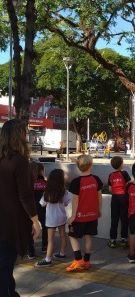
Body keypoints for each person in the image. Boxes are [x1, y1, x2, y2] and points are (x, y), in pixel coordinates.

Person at [0, 119, 41, 296]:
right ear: (19, 136)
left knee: (3, 268)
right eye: (25, 132)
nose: (28, 135)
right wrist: (36, 221)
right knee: (4, 268)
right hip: (10, 225)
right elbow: (24, 195)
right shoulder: (20, 162)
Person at [66, 154, 103, 271]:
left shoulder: (76, 182)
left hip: (80, 216)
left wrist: (73, 216)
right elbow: (99, 197)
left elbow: (75, 200)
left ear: (78, 166)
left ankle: (78, 259)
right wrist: (99, 210)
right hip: (93, 215)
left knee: (72, 236)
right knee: (88, 237)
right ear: (91, 165)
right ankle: (87, 261)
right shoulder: (96, 179)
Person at [35, 169, 71, 267]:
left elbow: (42, 204)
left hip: (51, 219)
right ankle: (62, 254)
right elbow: (67, 203)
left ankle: (48, 259)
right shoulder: (64, 191)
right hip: (61, 217)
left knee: (50, 239)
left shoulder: (47, 192)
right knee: (63, 235)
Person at [107, 156, 131, 248]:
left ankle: (112, 240)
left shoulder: (111, 175)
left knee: (114, 219)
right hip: (123, 198)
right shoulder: (124, 173)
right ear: (121, 165)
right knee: (124, 219)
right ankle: (124, 240)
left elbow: (110, 189)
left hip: (115, 198)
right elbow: (128, 185)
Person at [27, 162, 48, 259]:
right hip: (43, 210)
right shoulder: (45, 184)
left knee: (29, 230)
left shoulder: (28, 184)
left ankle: (30, 252)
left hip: (30, 211)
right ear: (41, 171)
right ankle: (44, 247)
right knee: (45, 228)